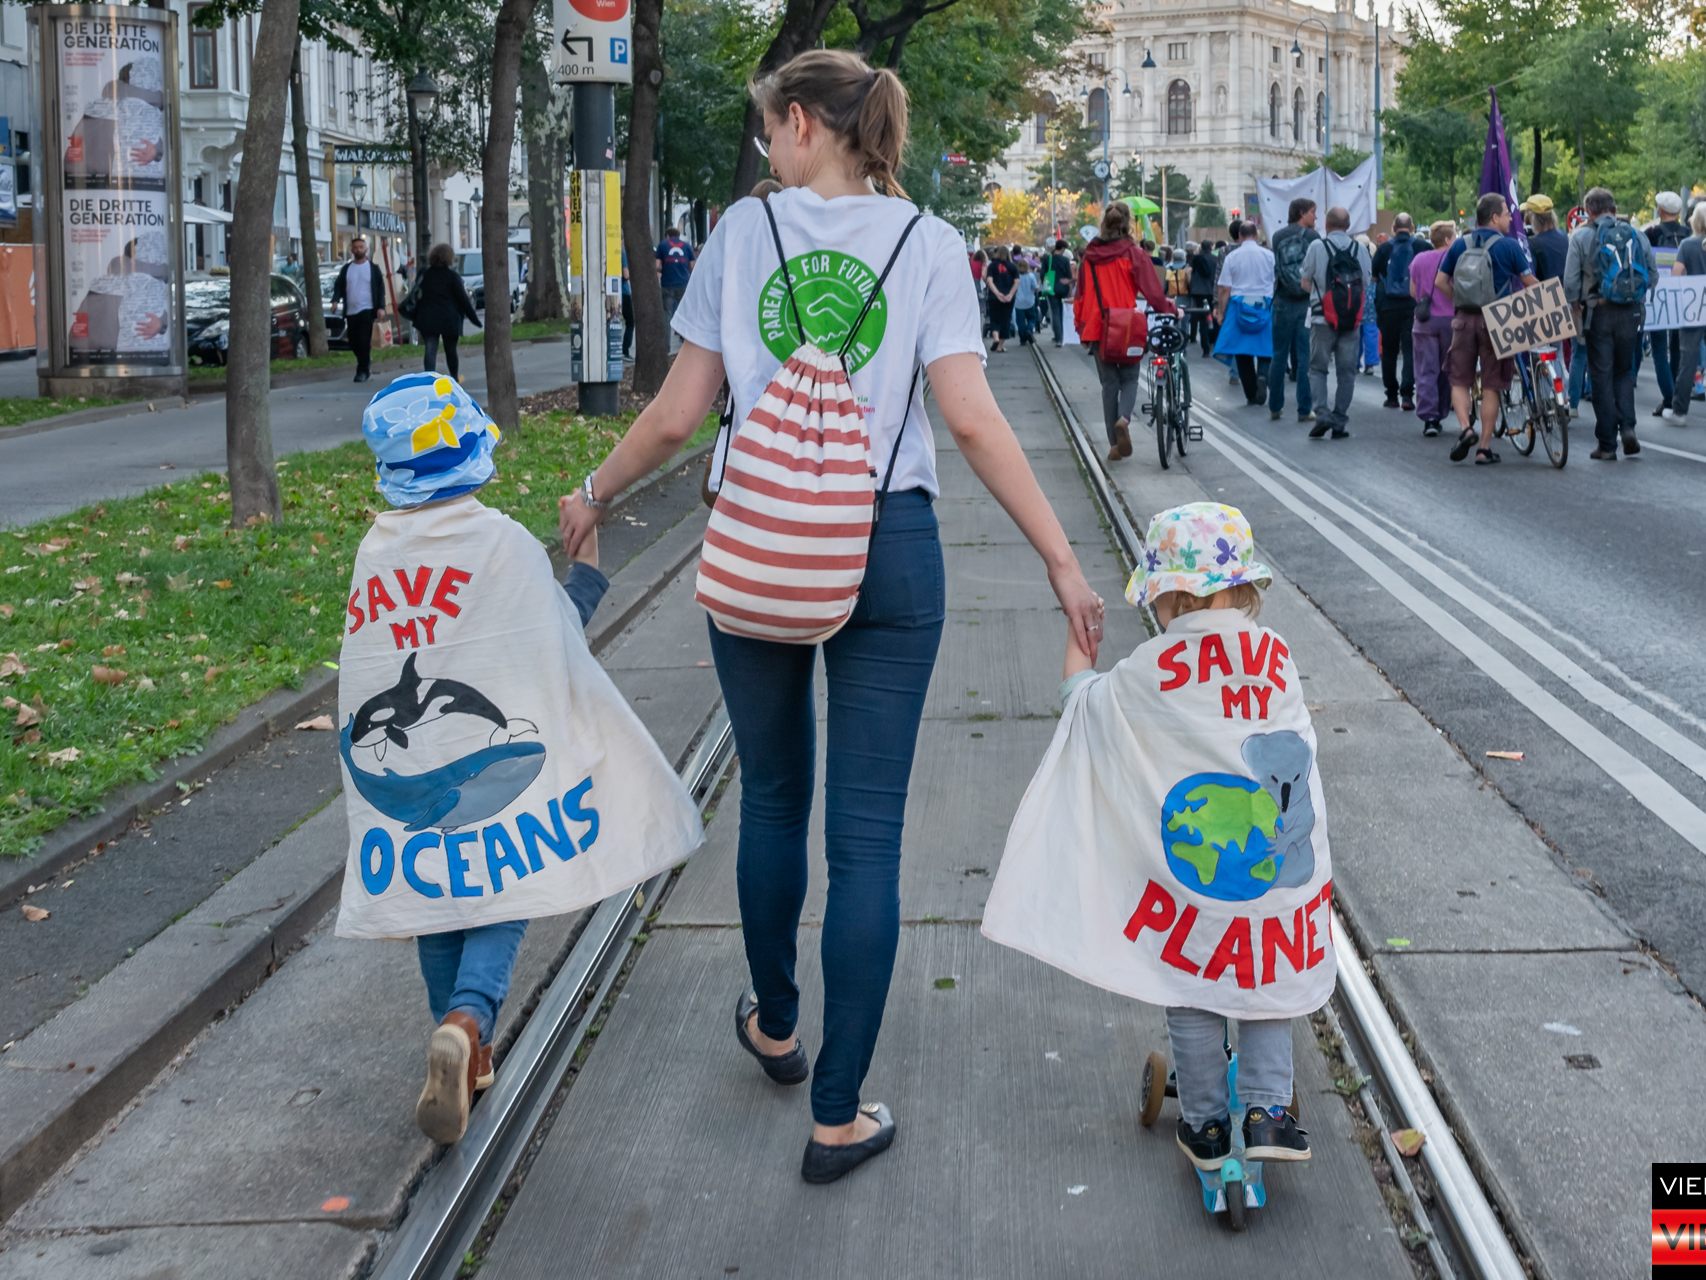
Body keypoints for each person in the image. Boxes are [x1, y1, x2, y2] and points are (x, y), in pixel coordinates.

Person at [556, 46, 1105, 1184]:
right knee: (864, 835)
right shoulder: (930, 246)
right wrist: (1060, 559)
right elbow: (968, 419)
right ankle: (838, 1112)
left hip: (760, 539)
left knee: (771, 796)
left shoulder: (740, 234)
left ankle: (773, 1021)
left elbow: (674, 415)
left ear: (800, 121)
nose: (765, 148)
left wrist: (593, 494)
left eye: (768, 130)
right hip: (887, 542)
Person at [337, 373, 702, 1145]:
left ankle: (458, 1042)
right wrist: (591, 570)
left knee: (436, 890)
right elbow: (553, 637)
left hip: (419, 776)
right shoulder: (500, 542)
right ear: (473, 454)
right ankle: (470, 1022)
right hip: (492, 768)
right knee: (505, 885)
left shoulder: (375, 556)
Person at [982, 501, 1331, 1180]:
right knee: (1268, 977)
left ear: (1165, 596)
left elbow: (1082, 702)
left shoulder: (1150, 667)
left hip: (1194, 874)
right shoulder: (1277, 658)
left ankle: (1202, 1122)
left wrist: (1081, 649)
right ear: (1247, 589)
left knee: (1191, 980)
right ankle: (1268, 1112)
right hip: (1272, 866)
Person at [1437, 193, 1539, 465]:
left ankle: (1465, 428)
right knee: (1493, 384)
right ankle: (1483, 448)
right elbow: (1529, 282)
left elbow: (1440, 281)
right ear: (1494, 217)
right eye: (1506, 213)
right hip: (1498, 321)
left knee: (1459, 379)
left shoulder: (1459, 245)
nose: (1509, 217)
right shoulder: (1509, 247)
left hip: (1464, 319)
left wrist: (1460, 301)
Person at [1075, 201, 1177, 460]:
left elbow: (1081, 294)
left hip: (1100, 328)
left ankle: (1114, 444)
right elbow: (1152, 290)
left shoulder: (1090, 256)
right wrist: (1170, 309)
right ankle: (1124, 419)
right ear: (1126, 224)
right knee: (1130, 378)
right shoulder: (1133, 253)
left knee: (1109, 384)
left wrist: (1081, 328)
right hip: (1128, 326)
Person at [1564, 187, 1656, 461]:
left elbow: (1570, 282)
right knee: (1624, 372)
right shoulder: (1637, 235)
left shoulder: (1580, 237)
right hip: (1631, 314)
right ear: (1614, 209)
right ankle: (1628, 427)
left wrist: (1576, 304)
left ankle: (1607, 444)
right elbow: (1651, 274)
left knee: (1601, 375)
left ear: (1589, 211)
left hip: (1597, 313)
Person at [1299, 206, 1371, 440]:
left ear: (1326, 226)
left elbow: (1305, 281)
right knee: (1346, 371)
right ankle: (1339, 419)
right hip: (1351, 320)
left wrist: (1323, 297)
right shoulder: (1359, 248)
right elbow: (1366, 283)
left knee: (1318, 368)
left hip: (1322, 318)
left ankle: (1322, 413)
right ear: (1348, 226)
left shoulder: (1317, 247)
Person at [1213, 220, 1274, 406]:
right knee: (1265, 347)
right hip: (1264, 304)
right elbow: (1276, 280)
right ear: (1256, 235)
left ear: (1239, 236)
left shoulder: (1233, 257)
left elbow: (1224, 288)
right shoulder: (1269, 255)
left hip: (1239, 305)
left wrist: (1222, 312)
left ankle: (1251, 393)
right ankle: (1263, 375)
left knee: (1242, 351)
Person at [1269, 198, 1319, 423]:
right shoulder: (1313, 238)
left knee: (1279, 354)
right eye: (1312, 212)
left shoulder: (1277, 236)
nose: (1315, 217)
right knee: (1304, 357)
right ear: (1301, 213)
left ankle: (1275, 406)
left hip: (1281, 300)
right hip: (1305, 302)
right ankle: (1304, 409)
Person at [1409, 220, 1457, 437]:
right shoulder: (1453, 258)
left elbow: (1412, 291)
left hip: (1425, 320)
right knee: (1447, 368)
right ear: (1448, 239)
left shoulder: (1419, 259)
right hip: (1450, 319)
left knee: (1426, 369)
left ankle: (1429, 416)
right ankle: (1442, 410)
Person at [1643, 192, 1688, 419]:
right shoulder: (1689, 234)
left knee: (1659, 349)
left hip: (1658, 298)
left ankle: (1669, 398)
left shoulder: (1651, 233)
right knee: (1678, 349)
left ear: (1660, 210)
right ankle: (1672, 398)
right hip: (1684, 298)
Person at [411, 242, 483, 379]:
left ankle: (429, 377)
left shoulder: (424, 274)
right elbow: (464, 300)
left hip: (428, 318)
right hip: (448, 319)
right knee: (451, 351)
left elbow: (417, 294)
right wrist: (475, 320)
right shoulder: (452, 277)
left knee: (430, 349)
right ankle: (454, 377)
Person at [1662, 200, 1706, 423]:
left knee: (1687, 359)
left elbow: (1676, 274)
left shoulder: (1688, 245)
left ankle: (1679, 411)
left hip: (1694, 306)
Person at [1370, 213, 1418, 411]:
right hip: (1412, 305)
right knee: (1409, 350)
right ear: (1412, 227)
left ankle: (1391, 394)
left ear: (1393, 228)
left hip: (1388, 306)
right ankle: (1407, 395)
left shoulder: (1384, 249)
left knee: (1389, 351)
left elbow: (1374, 278)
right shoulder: (1420, 247)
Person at [333, 236, 388, 383]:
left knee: (364, 340)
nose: (358, 250)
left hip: (367, 309)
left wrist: (381, 307)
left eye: (361, 247)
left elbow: (380, 289)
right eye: (355, 247)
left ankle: (362, 370)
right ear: (351, 250)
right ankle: (365, 360)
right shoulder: (347, 269)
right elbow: (339, 286)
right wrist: (335, 300)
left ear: (366, 249)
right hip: (351, 310)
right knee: (353, 341)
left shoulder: (373, 269)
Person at [656, 225, 695, 329]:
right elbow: (692, 266)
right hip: (683, 283)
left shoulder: (662, 245)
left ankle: (666, 344)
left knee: (667, 314)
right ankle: (684, 339)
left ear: (668, 236)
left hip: (667, 284)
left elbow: (657, 265)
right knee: (684, 313)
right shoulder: (687, 246)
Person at [1186, 239, 1219, 356]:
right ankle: (1214, 342)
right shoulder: (1215, 260)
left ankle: (1205, 348)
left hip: (1198, 292)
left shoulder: (1196, 259)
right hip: (1212, 291)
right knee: (1214, 317)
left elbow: (1190, 273)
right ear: (1211, 247)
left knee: (1202, 320)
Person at [984, 244, 1018, 353]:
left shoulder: (992, 266)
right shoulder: (1012, 266)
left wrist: (997, 293)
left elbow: (989, 280)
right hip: (1008, 297)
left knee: (994, 318)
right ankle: (1000, 346)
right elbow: (1017, 282)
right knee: (1006, 320)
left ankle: (995, 338)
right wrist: (1010, 294)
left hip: (994, 297)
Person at [1047, 240, 1074, 346]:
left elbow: (1043, 274)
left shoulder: (1048, 259)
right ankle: (1063, 335)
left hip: (1051, 288)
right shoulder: (1065, 260)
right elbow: (1069, 276)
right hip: (1063, 288)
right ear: (1062, 249)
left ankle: (1058, 338)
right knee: (1062, 312)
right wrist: (1070, 288)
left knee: (1055, 312)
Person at [1014, 258, 1040, 346]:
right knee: (1031, 318)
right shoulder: (1031, 276)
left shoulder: (1016, 277)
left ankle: (1022, 338)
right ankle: (1029, 329)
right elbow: (1035, 287)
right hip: (1029, 302)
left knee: (1020, 321)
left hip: (1018, 302)